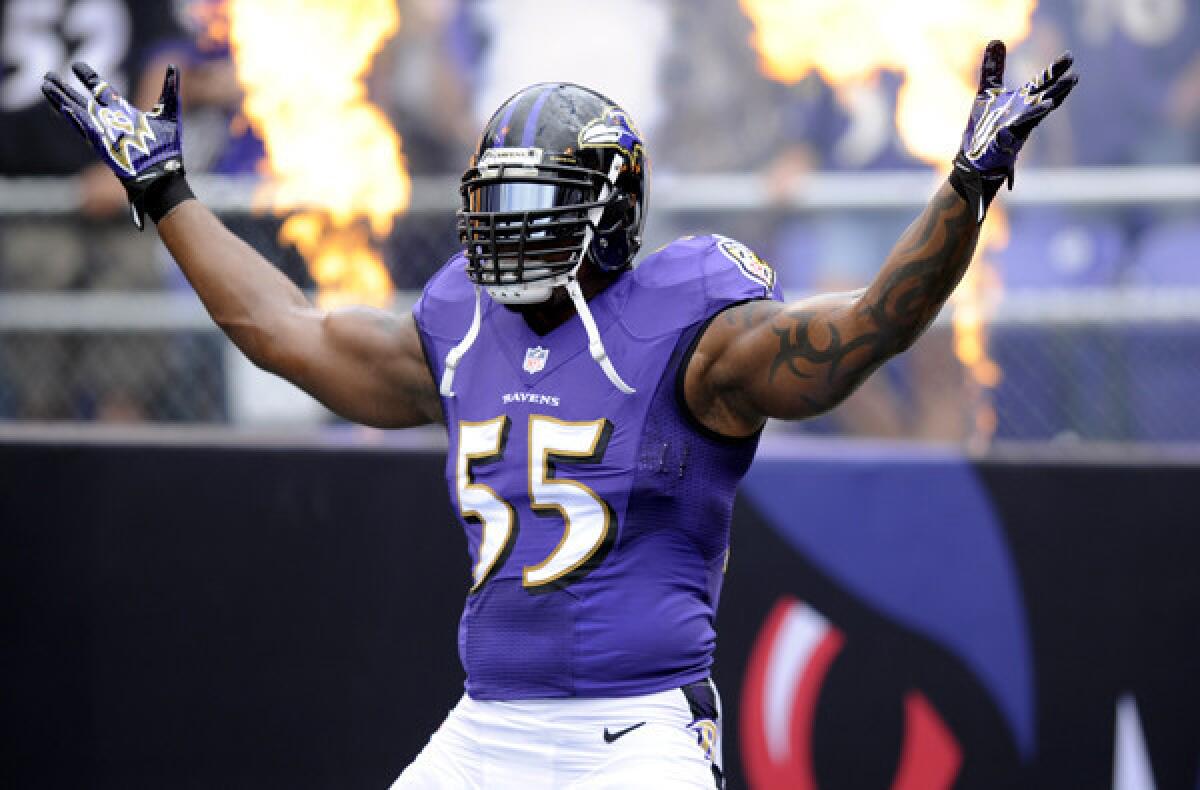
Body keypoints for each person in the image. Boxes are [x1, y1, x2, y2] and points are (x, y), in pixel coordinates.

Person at [41, 38, 1075, 788]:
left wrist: (965, 190)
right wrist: (169, 194)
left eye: (538, 202)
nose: (505, 228)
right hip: (486, 728)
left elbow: (862, 334)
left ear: (613, 210)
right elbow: (291, 332)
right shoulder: (458, 325)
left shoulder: (691, 325)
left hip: (635, 738)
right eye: (496, 200)